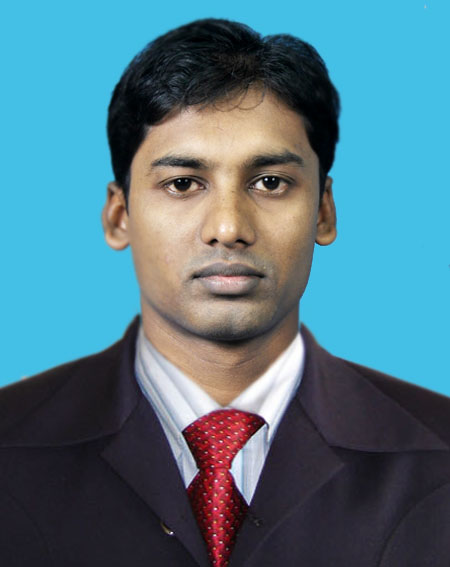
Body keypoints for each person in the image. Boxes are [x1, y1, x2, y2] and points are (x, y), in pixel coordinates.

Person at [0, 18, 449, 567]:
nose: (229, 227)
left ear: (323, 212)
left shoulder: (440, 450)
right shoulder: (8, 444)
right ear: (119, 216)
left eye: (270, 182)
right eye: (183, 183)